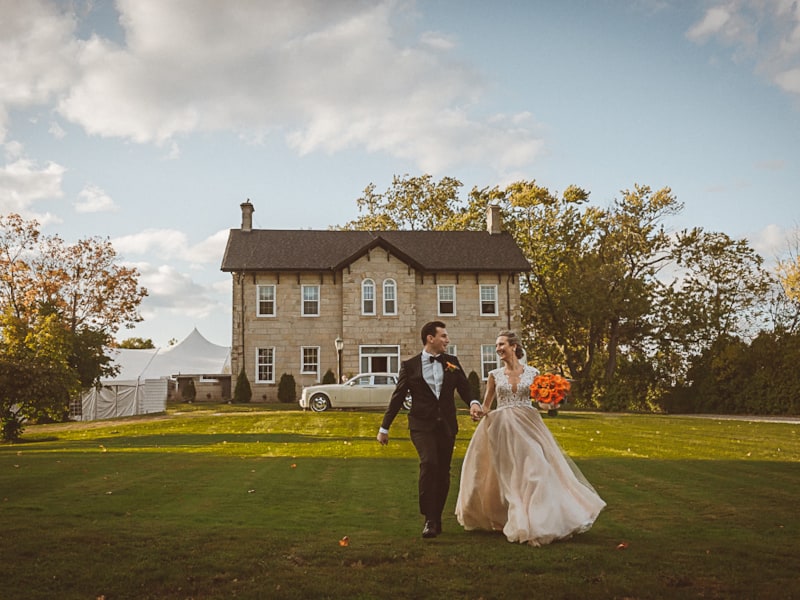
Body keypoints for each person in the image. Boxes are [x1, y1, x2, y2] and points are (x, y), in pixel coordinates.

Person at [455, 330, 606, 546]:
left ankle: (538, 525)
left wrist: (552, 401)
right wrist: (477, 411)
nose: (498, 349)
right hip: (503, 429)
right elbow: (488, 405)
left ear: (514, 346)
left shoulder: (533, 373)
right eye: (497, 345)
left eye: (501, 344)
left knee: (537, 471)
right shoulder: (494, 376)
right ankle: (515, 517)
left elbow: (542, 403)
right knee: (511, 476)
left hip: (529, 425)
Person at [378, 321, 482, 538]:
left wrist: (473, 402)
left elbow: (464, 387)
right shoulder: (410, 366)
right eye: (443, 336)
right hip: (421, 425)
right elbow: (397, 398)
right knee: (429, 463)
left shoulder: (452, 362)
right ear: (430, 338)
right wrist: (384, 428)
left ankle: (436, 517)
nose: (447, 340)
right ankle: (429, 519)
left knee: (443, 473)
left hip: (446, 425)